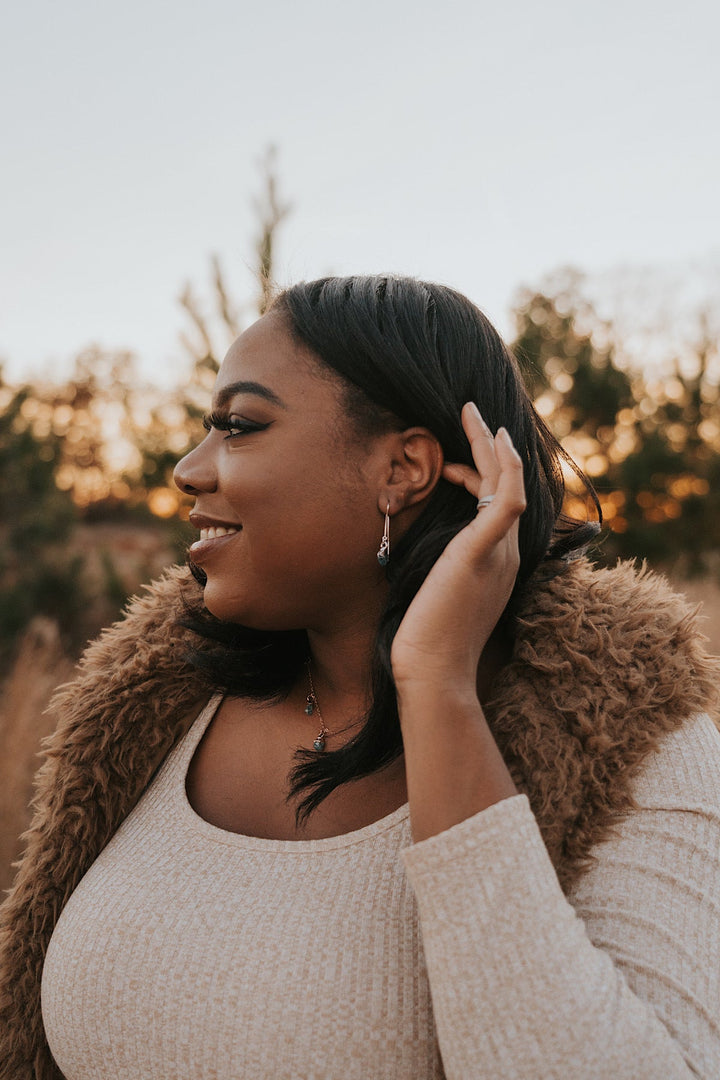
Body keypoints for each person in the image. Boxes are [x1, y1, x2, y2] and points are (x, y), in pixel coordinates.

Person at [1, 275, 719, 1080]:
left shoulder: (632, 737)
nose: (187, 470)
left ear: (403, 468)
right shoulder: (153, 706)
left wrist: (439, 688)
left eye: (238, 426)